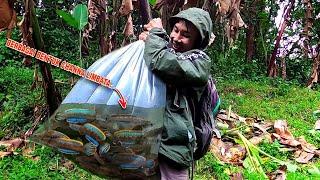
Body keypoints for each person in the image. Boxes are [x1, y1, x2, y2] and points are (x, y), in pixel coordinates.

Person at [139, 8, 213, 180]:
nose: (176, 37)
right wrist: (146, 43)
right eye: (175, 30)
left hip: (173, 147)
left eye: (185, 35)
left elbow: (161, 61)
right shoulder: (166, 50)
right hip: (146, 140)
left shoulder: (199, 62)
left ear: (197, 42)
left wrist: (156, 34)